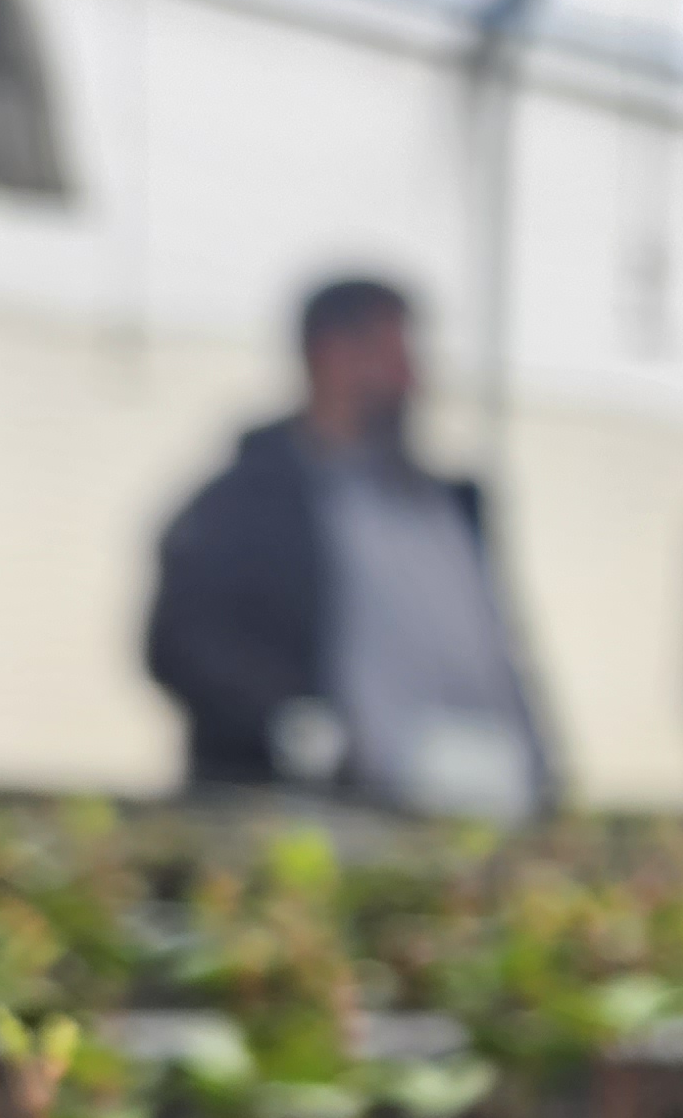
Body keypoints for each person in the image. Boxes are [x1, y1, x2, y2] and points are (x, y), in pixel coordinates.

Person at [146, 278, 552, 819]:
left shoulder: (446, 505)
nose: (413, 378)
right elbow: (182, 641)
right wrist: (296, 728)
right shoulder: (250, 500)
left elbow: (501, 653)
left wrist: (545, 768)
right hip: (330, 816)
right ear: (332, 353)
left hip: (482, 806)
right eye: (396, 355)